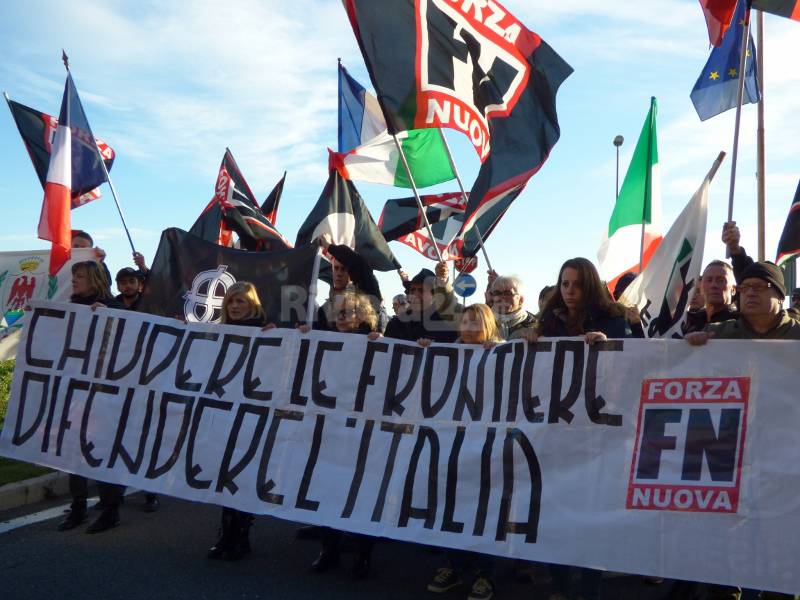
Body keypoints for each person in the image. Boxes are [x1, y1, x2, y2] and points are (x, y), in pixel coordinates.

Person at [685, 262, 798, 600]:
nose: (749, 293)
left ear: (778, 295)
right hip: (733, 455)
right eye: (745, 287)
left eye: (758, 287)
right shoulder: (722, 335)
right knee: (730, 541)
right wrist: (691, 346)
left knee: (781, 546)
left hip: (786, 460)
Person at [525, 258, 631, 600]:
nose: (570, 291)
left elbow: (635, 360)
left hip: (598, 435)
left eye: (577, 284)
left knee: (591, 517)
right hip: (556, 435)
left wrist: (611, 347)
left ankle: (589, 590)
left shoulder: (613, 320)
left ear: (591, 285)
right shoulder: (548, 322)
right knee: (556, 513)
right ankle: (559, 588)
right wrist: (529, 338)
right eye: (565, 284)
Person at [424, 303, 502, 600]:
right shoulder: (446, 355)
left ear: (489, 327)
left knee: (485, 507)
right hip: (451, 443)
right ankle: (453, 566)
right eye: (465, 322)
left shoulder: (503, 354)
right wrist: (424, 350)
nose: (469, 328)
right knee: (451, 504)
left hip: (487, 445)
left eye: (476, 323)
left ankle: (486, 574)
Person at [309, 291, 378, 579]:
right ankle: (329, 549)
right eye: (338, 312)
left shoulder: (379, 344)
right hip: (330, 426)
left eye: (348, 312)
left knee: (361, 491)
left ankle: (363, 554)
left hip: (364, 430)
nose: (341, 316)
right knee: (327, 486)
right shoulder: (322, 339)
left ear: (362, 316)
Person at [57, 261, 125, 534]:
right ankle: (78, 508)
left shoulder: (116, 308)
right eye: (74, 276)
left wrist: (111, 317)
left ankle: (110, 510)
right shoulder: (71, 307)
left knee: (102, 451)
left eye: (80, 277)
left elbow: (131, 342)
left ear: (94, 280)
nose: (74, 281)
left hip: (105, 395)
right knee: (74, 452)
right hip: (75, 391)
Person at [206, 282, 266, 561]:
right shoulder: (219, 332)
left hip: (253, 416)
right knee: (225, 474)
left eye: (241, 301)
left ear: (252, 304)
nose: (235, 307)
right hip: (225, 415)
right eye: (231, 302)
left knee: (242, 474)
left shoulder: (269, 331)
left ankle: (240, 533)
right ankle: (228, 533)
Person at [316, 234, 386, 331]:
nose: (339, 273)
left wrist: (328, 246)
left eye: (344, 269)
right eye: (336, 268)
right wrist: (304, 331)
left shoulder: (367, 297)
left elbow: (359, 263)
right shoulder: (325, 309)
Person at [384, 264, 459, 343]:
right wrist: (377, 339)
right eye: (412, 290)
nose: (415, 295)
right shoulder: (396, 323)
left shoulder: (445, 326)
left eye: (421, 290)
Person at [682, 260, 737, 334]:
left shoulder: (741, 322)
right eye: (709, 280)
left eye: (720, 280)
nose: (713, 285)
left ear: (733, 289)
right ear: (701, 288)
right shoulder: (688, 321)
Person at [489, 275, 537, 340]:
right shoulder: (482, 321)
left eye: (507, 293)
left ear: (521, 299)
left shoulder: (534, 325)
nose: (502, 297)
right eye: (497, 293)